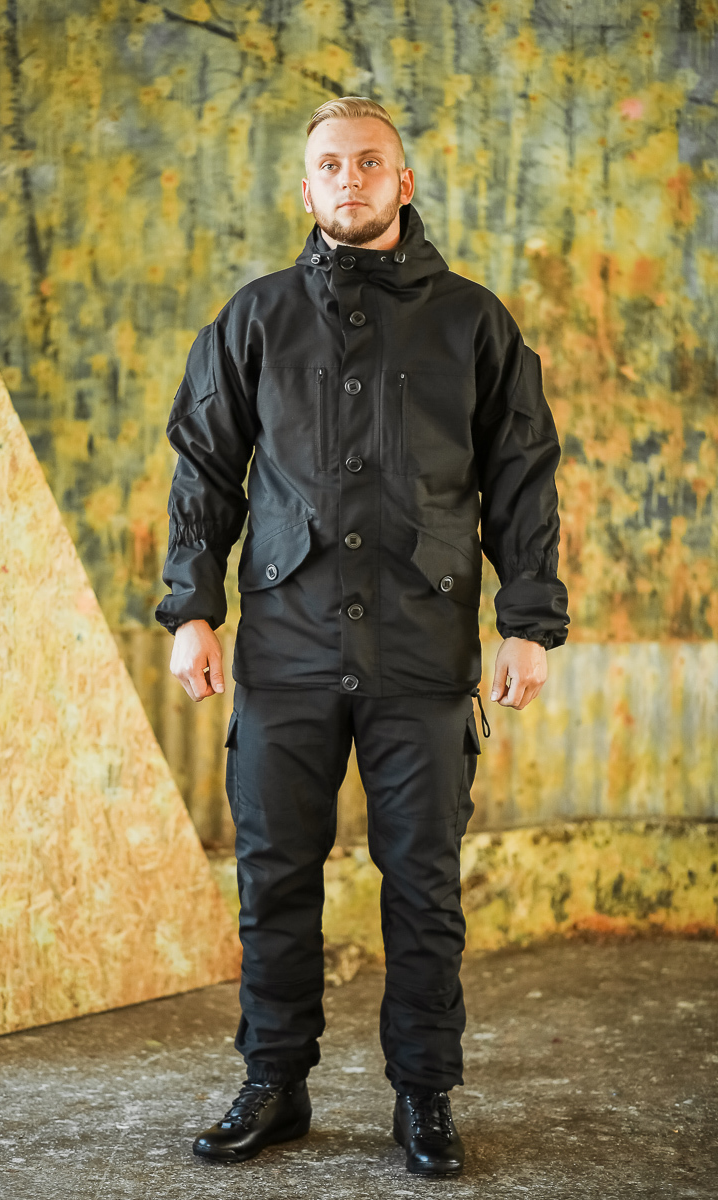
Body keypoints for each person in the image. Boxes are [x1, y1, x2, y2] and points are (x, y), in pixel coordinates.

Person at [155, 96, 569, 1177]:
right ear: (306, 189)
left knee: (421, 882)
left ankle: (423, 1095)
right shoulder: (254, 317)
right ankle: (274, 1082)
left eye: (370, 162)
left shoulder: (472, 322)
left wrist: (527, 623)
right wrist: (192, 609)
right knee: (273, 874)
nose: (350, 178)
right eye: (330, 165)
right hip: (284, 649)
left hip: (423, 652)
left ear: (403, 183)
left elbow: (521, 474)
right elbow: (205, 470)